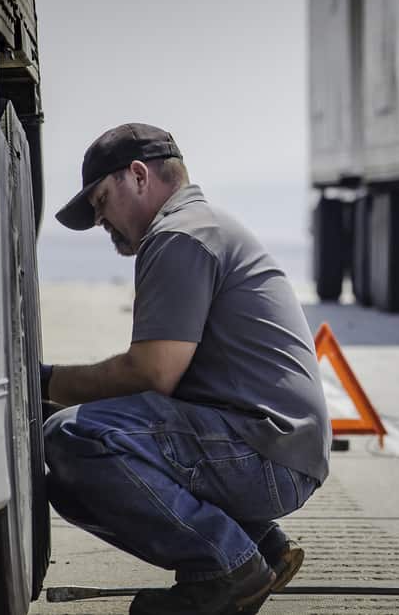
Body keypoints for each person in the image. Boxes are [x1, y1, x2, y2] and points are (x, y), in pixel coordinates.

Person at [40, 123, 330, 615]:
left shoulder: (179, 236)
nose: (99, 220)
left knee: (72, 438)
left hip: (265, 452)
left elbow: (152, 375)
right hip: (276, 446)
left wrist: (45, 381)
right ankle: (260, 545)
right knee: (67, 481)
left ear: (137, 176)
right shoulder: (201, 226)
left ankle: (228, 567)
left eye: (101, 201)